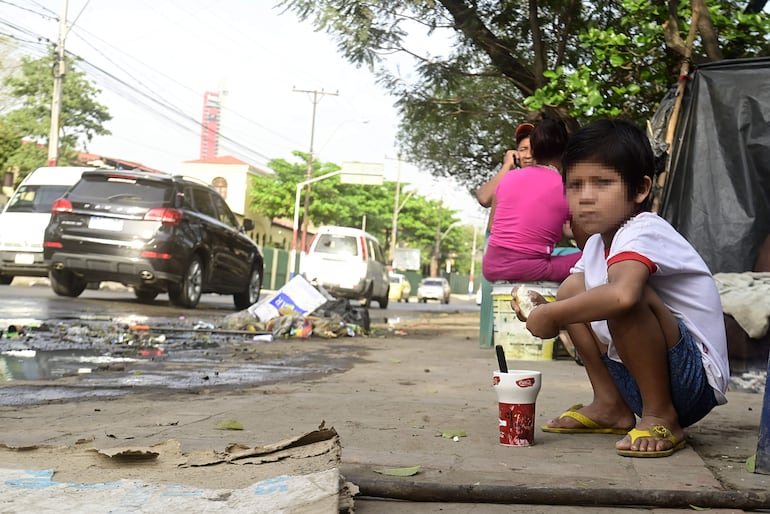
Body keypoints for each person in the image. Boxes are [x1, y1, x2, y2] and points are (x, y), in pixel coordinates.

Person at [514, 119, 729, 458]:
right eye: (575, 185)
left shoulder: (643, 229)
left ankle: (661, 416)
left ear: (640, 190)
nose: (585, 198)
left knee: (623, 298)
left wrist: (552, 314)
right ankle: (610, 404)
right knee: (573, 291)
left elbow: (623, 296)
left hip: (692, 382)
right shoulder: (599, 243)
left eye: (603, 183)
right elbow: (575, 297)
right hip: (640, 379)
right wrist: (546, 305)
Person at [482, 118, 582, 283]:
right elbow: (581, 237)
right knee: (600, 255)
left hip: (491, 267)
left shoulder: (508, 178)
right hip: (530, 269)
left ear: (534, 150)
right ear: (566, 152)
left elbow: (492, 226)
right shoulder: (566, 187)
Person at [476, 122, 535, 209]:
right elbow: (484, 199)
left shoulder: (552, 179)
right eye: (523, 149)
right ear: (516, 153)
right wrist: (507, 165)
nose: (528, 155)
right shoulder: (512, 180)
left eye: (533, 150)